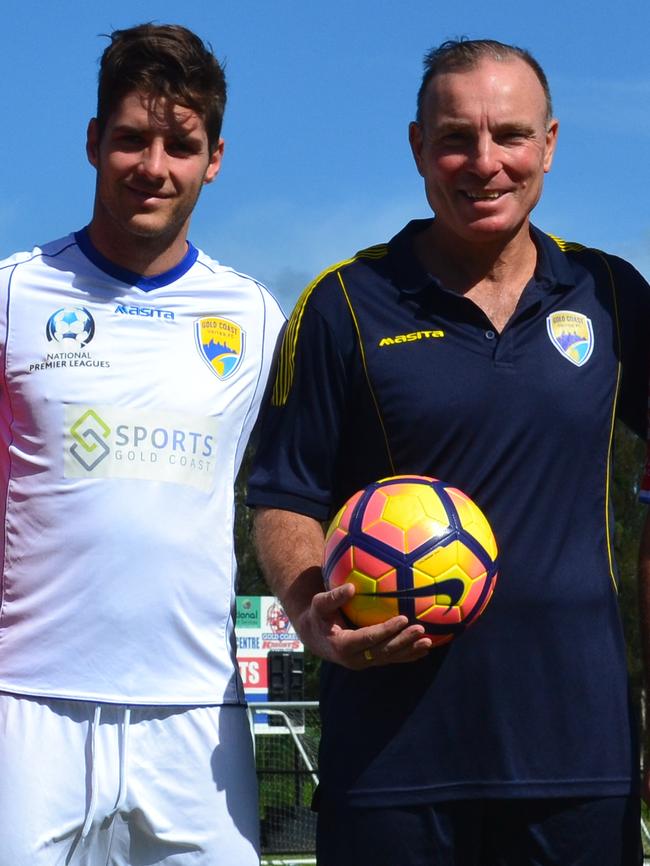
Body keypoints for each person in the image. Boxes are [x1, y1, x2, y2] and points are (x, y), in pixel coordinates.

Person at [247, 38, 650, 865]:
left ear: (550, 143)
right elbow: (285, 494)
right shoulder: (343, 306)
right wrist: (312, 613)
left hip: (580, 755)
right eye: (456, 138)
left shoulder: (612, 296)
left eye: (509, 135)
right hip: (393, 759)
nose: (485, 162)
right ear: (417, 146)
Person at [0, 23, 284, 866]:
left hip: (196, 717)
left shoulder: (258, 319)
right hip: (26, 708)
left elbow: (293, 493)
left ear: (215, 158)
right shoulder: (14, 294)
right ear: (94, 142)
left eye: (180, 144)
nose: (153, 166)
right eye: (130, 138)